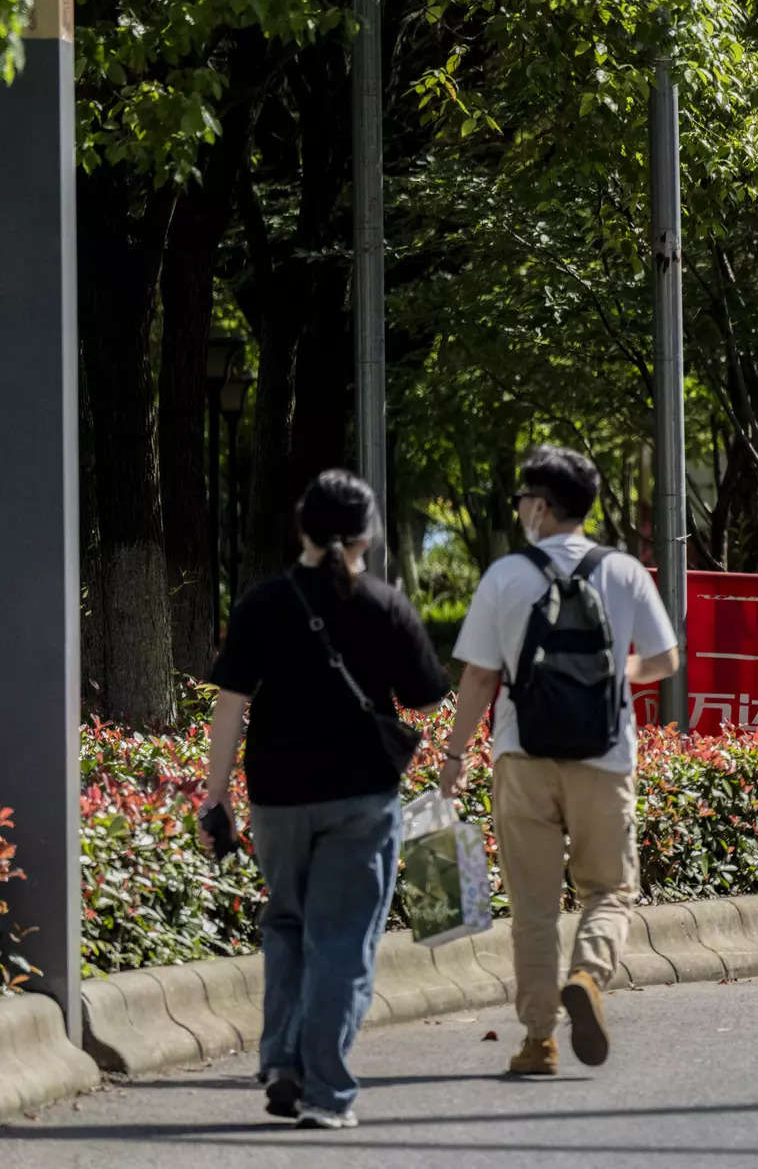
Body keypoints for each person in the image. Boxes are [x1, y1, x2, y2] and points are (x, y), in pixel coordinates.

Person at [199, 469, 451, 1129]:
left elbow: (230, 706)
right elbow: (428, 698)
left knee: (286, 923)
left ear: (301, 528)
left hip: (277, 798)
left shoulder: (262, 602)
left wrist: (214, 798)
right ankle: (326, 1092)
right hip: (362, 798)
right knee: (340, 940)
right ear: (367, 534)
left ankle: (282, 1061)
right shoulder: (385, 604)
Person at [439, 445, 680, 1075]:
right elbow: (664, 661)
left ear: (542, 506)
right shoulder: (625, 571)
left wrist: (455, 753)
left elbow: (479, 678)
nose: (520, 508)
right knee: (609, 890)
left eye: (524, 499)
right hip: (605, 757)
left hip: (522, 757)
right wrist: (611, 675)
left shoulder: (506, 576)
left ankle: (539, 1040)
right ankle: (590, 977)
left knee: (534, 907)